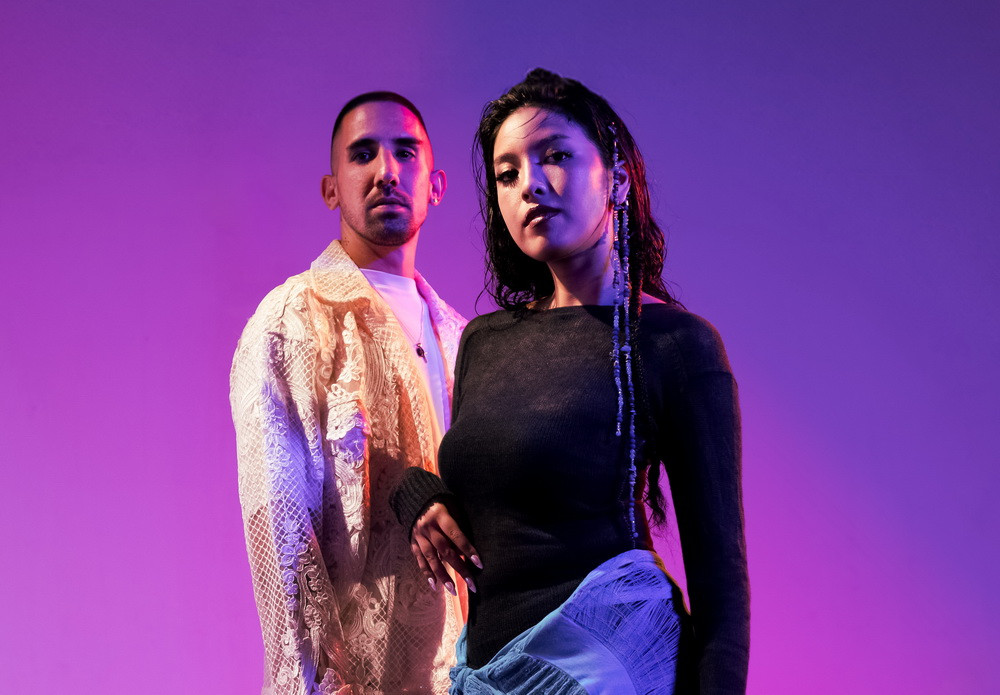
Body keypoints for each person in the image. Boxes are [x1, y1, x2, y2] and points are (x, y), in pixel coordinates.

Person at [390, 69, 750, 693]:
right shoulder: (484, 342)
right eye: (507, 174)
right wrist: (417, 495)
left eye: (554, 156)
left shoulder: (674, 345)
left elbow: (721, 590)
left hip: (611, 667)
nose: (530, 184)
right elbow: (499, 496)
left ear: (615, 177)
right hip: (485, 672)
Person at [231, 92, 466, 695]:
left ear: (436, 185)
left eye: (405, 153)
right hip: (361, 679)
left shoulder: (467, 341)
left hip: (473, 675)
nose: (386, 171)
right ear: (331, 189)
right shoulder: (291, 323)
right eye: (363, 154)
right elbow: (280, 528)